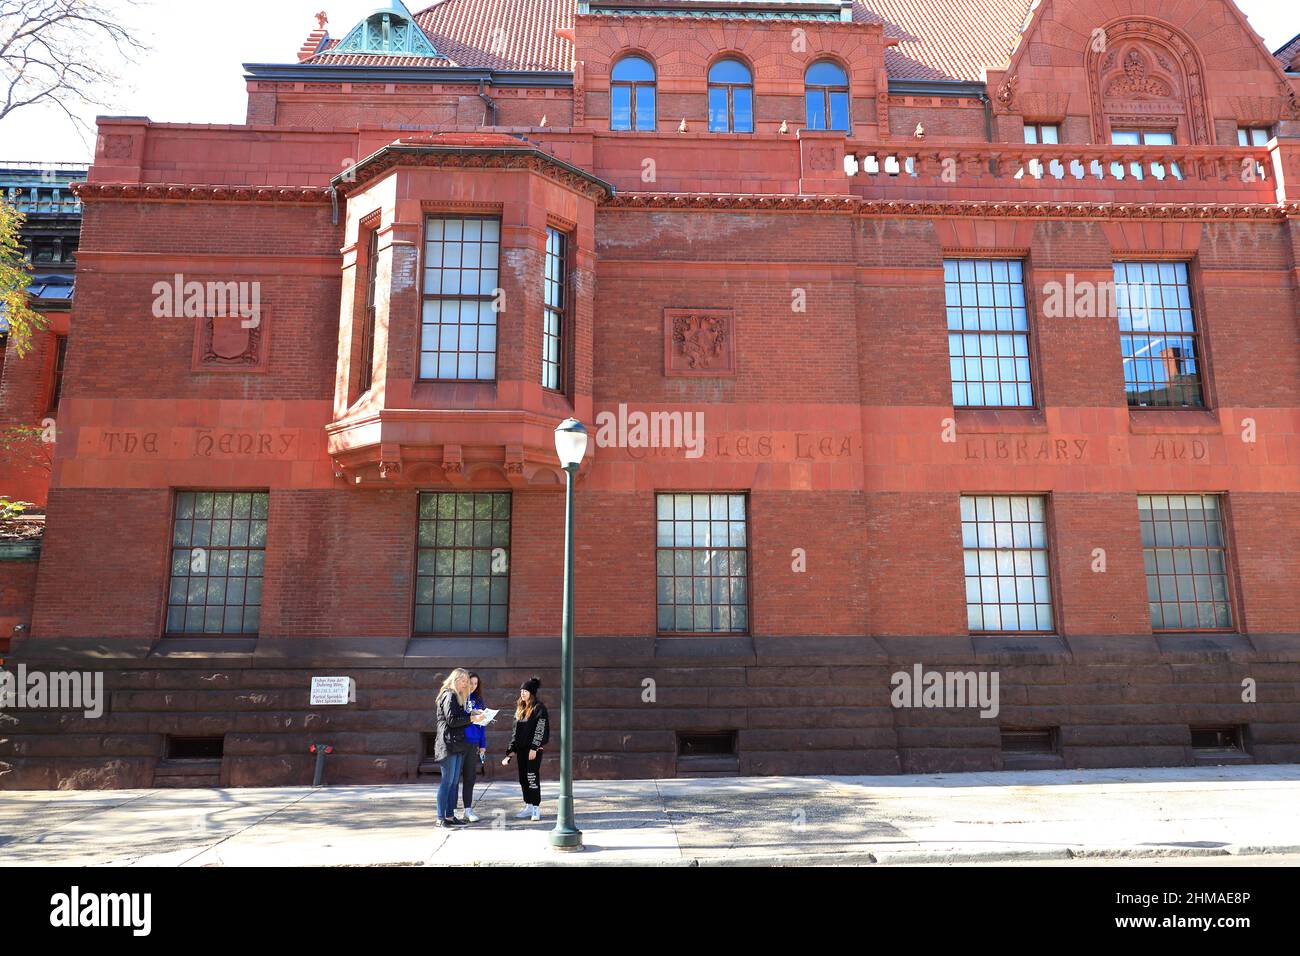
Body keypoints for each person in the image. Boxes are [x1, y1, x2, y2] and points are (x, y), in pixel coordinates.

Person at [434, 668, 484, 828]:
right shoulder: (449, 695)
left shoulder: (457, 697)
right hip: (447, 744)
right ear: (455, 680)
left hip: (457, 743)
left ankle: (450, 815)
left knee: (454, 782)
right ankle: (440, 817)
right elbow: (452, 720)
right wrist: (472, 718)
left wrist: (472, 713)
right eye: (463, 681)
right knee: (446, 782)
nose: (465, 684)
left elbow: (459, 717)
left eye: (466, 681)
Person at [501, 676, 550, 821]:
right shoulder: (520, 709)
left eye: (526, 691)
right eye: (521, 691)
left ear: (532, 692)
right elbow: (515, 733)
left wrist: (534, 747)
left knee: (531, 777)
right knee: (523, 778)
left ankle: (536, 807)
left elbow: (541, 728)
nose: (522, 693)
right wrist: (509, 753)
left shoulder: (539, 708)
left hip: (533, 750)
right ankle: (528, 805)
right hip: (522, 751)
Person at [459, 672, 488, 823]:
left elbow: (482, 725)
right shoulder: (459, 698)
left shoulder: (479, 700)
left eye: (476, 684)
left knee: (470, 777)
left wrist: (483, 745)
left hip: (474, 743)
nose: (473, 686)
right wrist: (471, 712)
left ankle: (468, 809)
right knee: (454, 778)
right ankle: (450, 811)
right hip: (460, 742)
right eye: (471, 683)